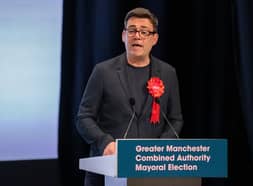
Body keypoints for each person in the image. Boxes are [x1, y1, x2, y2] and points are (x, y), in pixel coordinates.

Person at [76, 7, 184, 186]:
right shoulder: (103, 71)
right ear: (123, 36)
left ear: (154, 39)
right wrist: (105, 143)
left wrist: (160, 149)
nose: (137, 36)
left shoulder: (167, 73)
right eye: (132, 30)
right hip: (107, 170)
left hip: (150, 172)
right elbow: (84, 117)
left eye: (144, 31)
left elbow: (176, 120)